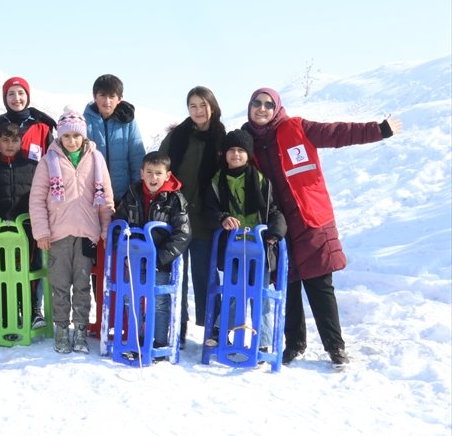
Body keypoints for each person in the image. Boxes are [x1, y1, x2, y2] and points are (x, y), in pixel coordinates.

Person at [242, 87, 401, 369]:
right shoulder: (246, 142)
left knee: (319, 285)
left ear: (277, 107)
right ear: (250, 106)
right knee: (287, 284)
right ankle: (295, 344)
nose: (262, 108)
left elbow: (338, 133)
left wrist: (380, 130)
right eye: (257, 103)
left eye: (268, 104)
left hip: (310, 218)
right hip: (277, 224)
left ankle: (335, 347)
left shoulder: (296, 128)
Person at [30, 108, 114, 354]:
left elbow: (106, 197)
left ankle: (80, 329)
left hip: (87, 233)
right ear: (60, 137)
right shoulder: (49, 161)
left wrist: (106, 228)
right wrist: (42, 232)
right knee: (59, 284)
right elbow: (36, 199)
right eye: (67, 136)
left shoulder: (96, 159)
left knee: (82, 284)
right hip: (58, 233)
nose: (72, 141)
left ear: (84, 137)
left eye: (76, 136)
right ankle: (61, 329)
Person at [201, 129, 287, 345]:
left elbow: (274, 210)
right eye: (231, 150)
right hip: (233, 249)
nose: (236, 154)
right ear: (224, 154)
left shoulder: (260, 180)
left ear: (248, 154)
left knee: (262, 295)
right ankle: (221, 333)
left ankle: (264, 342)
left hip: (260, 249)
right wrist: (222, 218)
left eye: (241, 150)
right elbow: (208, 210)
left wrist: (275, 233)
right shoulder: (217, 180)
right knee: (233, 290)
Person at [158, 86, 226, 345]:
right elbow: (160, 169)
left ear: (212, 106)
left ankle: (214, 328)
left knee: (205, 275)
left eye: (202, 105)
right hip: (176, 216)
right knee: (176, 274)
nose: (198, 111)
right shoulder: (177, 137)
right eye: (192, 106)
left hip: (205, 218)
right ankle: (178, 325)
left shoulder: (222, 138)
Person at [113, 152, 191, 349]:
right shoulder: (132, 193)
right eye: (149, 172)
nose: (153, 178)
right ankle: (136, 338)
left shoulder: (174, 199)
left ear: (167, 175)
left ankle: (159, 342)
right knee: (131, 297)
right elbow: (118, 224)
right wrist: (124, 251)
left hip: (159, 262)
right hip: (134, 257)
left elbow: (183, 234)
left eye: (158, 173)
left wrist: (159, 259)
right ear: (141, 173)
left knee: (158, 301)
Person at [0, 123, 43, 329]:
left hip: (26, 229)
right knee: (4, 271)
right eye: (5, 140)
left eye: (15, 140)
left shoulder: (31, 167)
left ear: (21, 142)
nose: (10, 145)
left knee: (27, 268)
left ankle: (32, 310)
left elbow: (39, 196)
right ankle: (6, 314)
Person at [83, 74, 146, 197]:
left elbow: (137, 158)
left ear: (119, 99)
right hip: (92, 195)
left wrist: (137, 192)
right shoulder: (84, 121)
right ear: (94, 96)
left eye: (112, 96)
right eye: (103, 95)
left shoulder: (128, 122)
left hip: (123, 195)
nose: (107, 101)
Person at [0, 76, 55, 161]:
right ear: (5, 98)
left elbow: (54, 162)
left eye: (21, 93)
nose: (16, 98)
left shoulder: (42, 129)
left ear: (27, 96)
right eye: (11, 94)